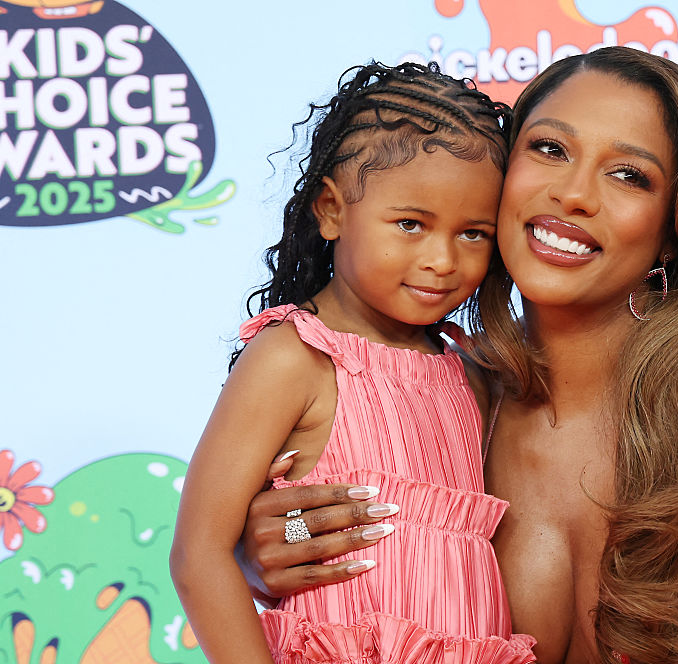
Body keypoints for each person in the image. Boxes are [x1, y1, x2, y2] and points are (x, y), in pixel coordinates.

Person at [237, 47, 678, 664]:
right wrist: (267, 550)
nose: (575, 193)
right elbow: (332, 576)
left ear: (674, 229)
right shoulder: (448, 400)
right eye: (550, 149)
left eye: (629, 175)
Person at [169, 62, 537, 664]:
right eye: (411, 224)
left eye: (474, 233)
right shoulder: (295, 357)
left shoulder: (472, 375)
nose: (443, 260)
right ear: (331, 210)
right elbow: (199, 554)